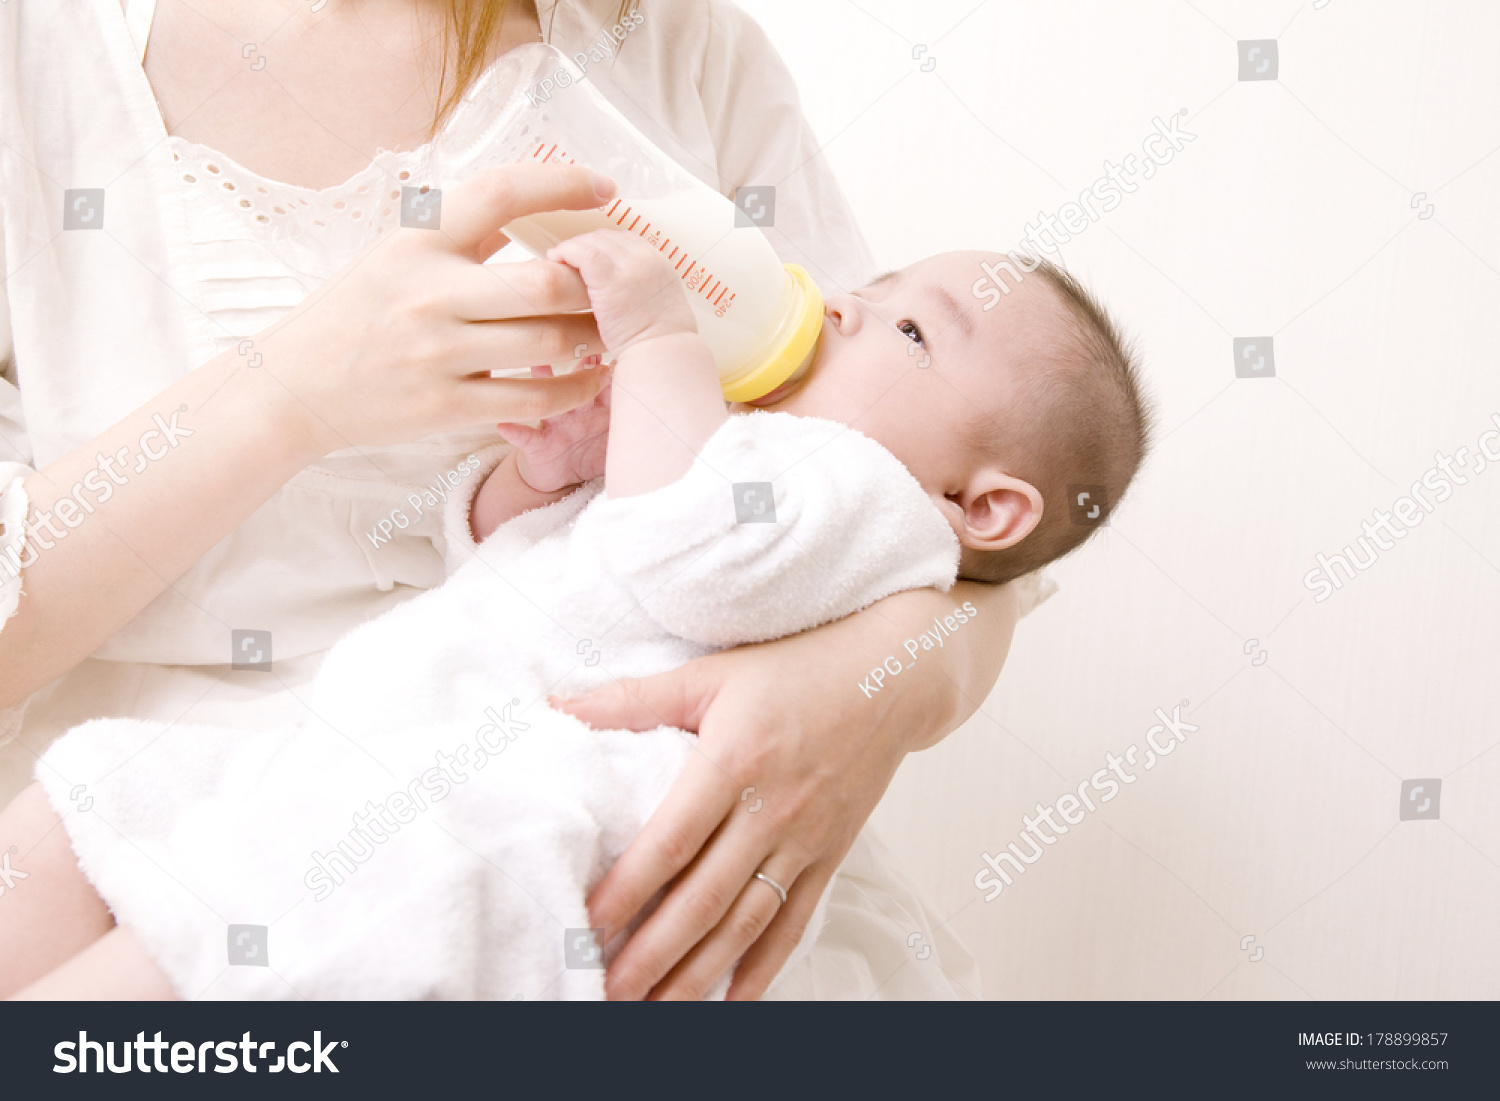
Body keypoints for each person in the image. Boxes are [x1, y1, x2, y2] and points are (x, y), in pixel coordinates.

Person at [0, 0, 1026, 1000]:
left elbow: (941, 512)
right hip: (206, 788)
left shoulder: (678, 48)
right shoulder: (37, 59)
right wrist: (291, 395)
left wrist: (869, 696)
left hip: (577, 832)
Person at [14, 233, 1145, 1000]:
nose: (846, 302)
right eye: (874, 288)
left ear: (985, 506)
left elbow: (686, 555)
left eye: (909, 333)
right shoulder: (753, 459)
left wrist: (659, 337)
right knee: (87, 809)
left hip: (486, 831)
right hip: (355, 760)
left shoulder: (876, 505)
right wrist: (548, 478)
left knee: (185, 958)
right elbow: (536, 576)